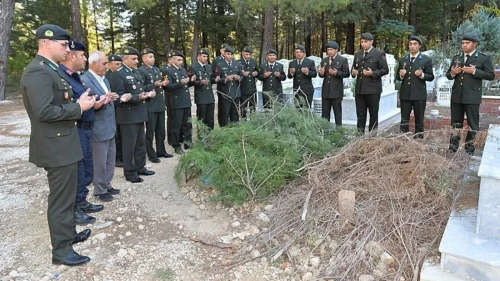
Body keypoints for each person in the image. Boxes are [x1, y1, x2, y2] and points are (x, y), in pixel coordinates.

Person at [20, 24, 94, 266]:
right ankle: (61, 252)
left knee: (69, 195)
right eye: (63, 45)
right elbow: (43, 111)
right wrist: (78, 108)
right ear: (46, 43)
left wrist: (78, 102)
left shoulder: (52, 70)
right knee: (61, 200)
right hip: (55, 146)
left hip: (65, 143)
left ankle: (68, 235)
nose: (67, 50)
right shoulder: (38, 72)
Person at [59, 41, 104, 225]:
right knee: (78, 170)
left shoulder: (74, 76)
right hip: (75, 129)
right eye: (83, 55)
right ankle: (75, 208)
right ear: (72, 56)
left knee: (85, 168)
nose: (85, 59)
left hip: (85, 128)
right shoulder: (61, 76)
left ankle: (82, 201)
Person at [109, 46, 156, 183]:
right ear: (124, 59)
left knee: (140, 143)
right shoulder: (118, 74)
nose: (136, 61)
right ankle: (129, 172)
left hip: (139, 113)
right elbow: (119, 96)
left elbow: (140, 88)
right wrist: (137, 97)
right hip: (128, 115)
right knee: (129, 145)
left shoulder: (135, 72)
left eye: (137, 58)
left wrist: (148, 93)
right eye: (133, 59)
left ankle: (140, 166)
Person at [81, 51, 121, 202]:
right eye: (104, 63)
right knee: (99, 160)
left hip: (109, 124)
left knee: (110, 157)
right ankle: (99, 189)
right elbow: (87, 102)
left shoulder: (105, 79)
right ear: (93, 64)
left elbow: (105, 96)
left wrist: (112, 97)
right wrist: (99, 101)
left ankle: (107, 184)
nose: (107, 66)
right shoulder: (85, 80)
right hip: (97, 126)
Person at [446, 33, 494, 155]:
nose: (464, 45)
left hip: (472, 97)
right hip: (457, 96)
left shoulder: (483, 58)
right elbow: (448, 75)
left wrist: (475, 71)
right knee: (455, 123)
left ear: (475, 44)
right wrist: (452, 73)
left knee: (473, 124)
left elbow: (490, 75)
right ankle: (453, 148)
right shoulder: (457, 57)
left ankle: (469, 149)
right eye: (462, 43)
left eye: (467, 43)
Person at [138, 48, 173, 163]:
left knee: (161, 130)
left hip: (159, 103)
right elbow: (141, 87)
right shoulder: (141, 71)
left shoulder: (157, 70)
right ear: (143, 58)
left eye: (153, 57)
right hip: (150, 105)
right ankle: (151, 154)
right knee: (150, 131)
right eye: (149, 57)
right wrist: (153, 84)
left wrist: (163, 84)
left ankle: (161, 150)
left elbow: (160, 84)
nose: (152, 59)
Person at [351, 32, 389, 134]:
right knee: (360, 114)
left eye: (365, 42)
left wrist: (372, 73)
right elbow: (354, 69)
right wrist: (354, 73)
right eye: (362, 42)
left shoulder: (379, 54)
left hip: (373, 89)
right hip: (360, 89)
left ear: (371, 42)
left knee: (373, 114)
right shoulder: (358, 54)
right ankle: (359, 135)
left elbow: (385, 70)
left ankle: (372, 137)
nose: (363, 44)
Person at [396, 35, 434, 137]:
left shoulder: (426, 60)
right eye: (410, 44)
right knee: (404, 119)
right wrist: (401, 75)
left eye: (415, 44)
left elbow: (431, 76)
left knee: (419, 119)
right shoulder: (403, 60)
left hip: (419, 94)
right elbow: (397, 77)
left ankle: (418, 139)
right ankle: (403, 138)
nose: (412, 46)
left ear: (419, 46)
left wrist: (422, 75)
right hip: (405, 94)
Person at [165, 51, 193, 154]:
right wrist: (180, 83)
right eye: (178, 59)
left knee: (187, 123)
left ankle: (188, 142)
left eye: (182, 60)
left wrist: (190, 81)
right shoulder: (168, 71)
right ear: (172, 60)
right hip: (177, 102)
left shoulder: (183, 70)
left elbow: (186, 85)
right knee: (176, 125)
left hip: (186, 100)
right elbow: (169, 87)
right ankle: (176, 145)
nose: (181, 62)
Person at [318, 41, 350, 125]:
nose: (329, 51)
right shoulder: (324, 60)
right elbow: (322, 75)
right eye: (328, 50)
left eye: (331, 50)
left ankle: (338, 131)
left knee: (337, 113)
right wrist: (321, 73)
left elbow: (347, 73)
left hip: (336, 91)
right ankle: (325, 131)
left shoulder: (343, 60)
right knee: (325, 114)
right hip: (326, 91)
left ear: (336, 50)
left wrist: (336, 73)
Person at [188, 48, 216, 130]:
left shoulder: (209, 67)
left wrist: (216, 80)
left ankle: (210, 135)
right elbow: (189, 83)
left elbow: (212, 79)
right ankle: (202, 137)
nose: (205, 58)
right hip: (201, 96)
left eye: (206, 56)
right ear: (198, 57)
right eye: (204, 56)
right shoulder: (193, 67)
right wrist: (199, 82)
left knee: (210, 118)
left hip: (210, 96)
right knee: (201, 118)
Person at [214, 45, 242, 125]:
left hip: (236, 93)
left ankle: (235, 130)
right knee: (224, 114)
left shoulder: (237, 64)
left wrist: (238, 77)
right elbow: (217, 79)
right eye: (228, 54)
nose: (230, 56)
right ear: (224, 54)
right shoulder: (220, 65)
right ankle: (224, 131)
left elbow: (242, 77)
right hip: (225, 93)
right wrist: (225, 79)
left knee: (235, 114)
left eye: (231, 54)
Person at [106, 54, 124, 167]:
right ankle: (117, 157)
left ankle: (121, 155)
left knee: (121, 134)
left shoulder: (120, 75)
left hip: (120, 107)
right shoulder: (106, 76)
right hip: (110, 108)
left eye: (120, 64)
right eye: (116, 64)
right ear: (109, 65)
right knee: (115, 134)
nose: (118, 66)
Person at [236, 46, 259, 118]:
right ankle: (244, 120)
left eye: (249, 54)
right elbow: (236, 74)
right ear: (243, 53)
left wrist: (256, 73)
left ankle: (253, 120)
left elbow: (257, 71)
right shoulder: (238, 62)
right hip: (243, 88)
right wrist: (242, 74)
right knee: (243, 106)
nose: (248, 56)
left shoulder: (254, 61)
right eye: (247, 54)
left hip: (252, 88)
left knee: (253, 106)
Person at [212, 43, 229, 126]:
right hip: (221, 85)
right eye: (223, 50)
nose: (224, 51)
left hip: (229, 86)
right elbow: (214, 73)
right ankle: (221, 123)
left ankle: (227, 122)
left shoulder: (231, 59)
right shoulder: (216, 60)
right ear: (220, 51)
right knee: (222, 105)